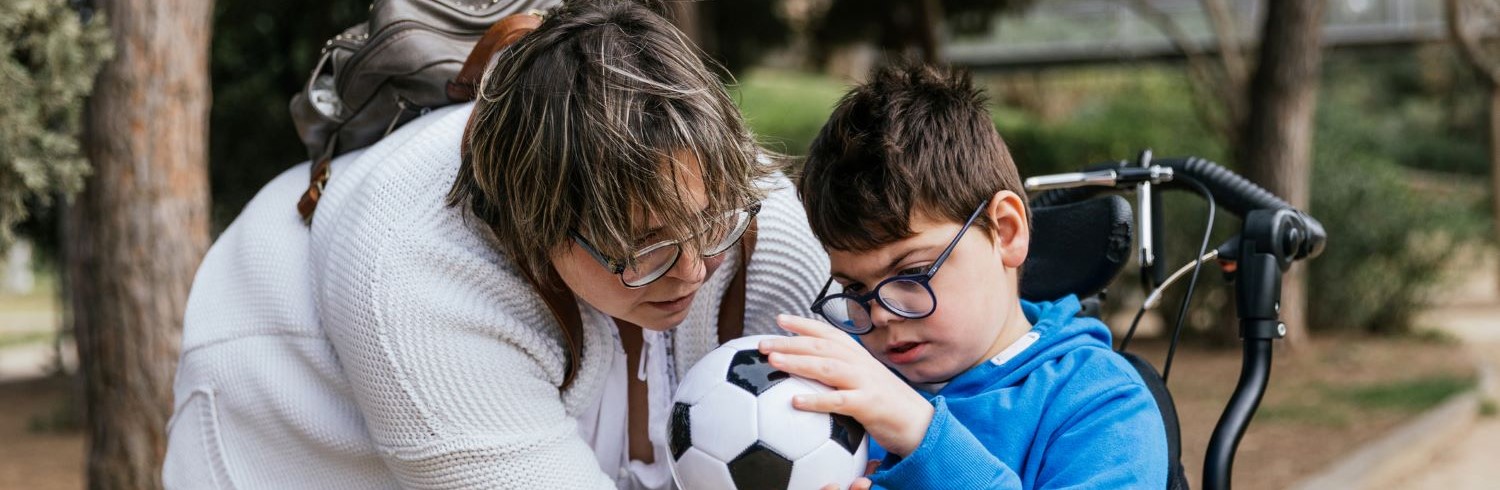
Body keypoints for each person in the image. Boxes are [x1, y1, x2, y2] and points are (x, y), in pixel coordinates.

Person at [161, 1, 828, 488]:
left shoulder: (755, 213)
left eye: (710, 222)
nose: (694, 268)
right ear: (534, 235)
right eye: (646, 247)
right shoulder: (417, 285)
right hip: (281, 442)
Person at [761, 64, 1168, 489]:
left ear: (1006, 231)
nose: (879, 314)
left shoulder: (1101, 403)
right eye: (854, 288)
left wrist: (922, 434)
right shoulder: (841, 399)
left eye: (912, 272)